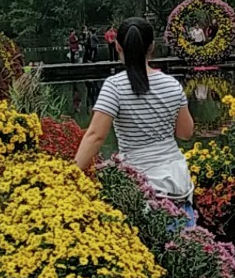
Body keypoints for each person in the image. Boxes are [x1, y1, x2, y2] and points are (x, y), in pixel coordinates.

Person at [73, 16, 196, 227]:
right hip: (177, 184)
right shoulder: (171, 85)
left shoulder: (115, 86)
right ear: (152, 47)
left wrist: (71, 175)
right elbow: (186, 133)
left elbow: (96, 136)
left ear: (118, 46)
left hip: (141, 186)